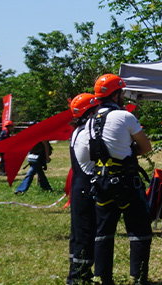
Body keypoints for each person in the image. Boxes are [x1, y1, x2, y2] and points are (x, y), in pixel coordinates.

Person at [89, 73, 154, 285]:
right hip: (125, 181)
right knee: (139, 231)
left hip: (101, 182)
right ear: (115, 95)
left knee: (103, 233)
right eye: (121, 93)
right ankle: (138, 278)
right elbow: (146, 147)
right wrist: (127, 151)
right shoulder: (124, 116)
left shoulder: (91, 119)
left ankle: (104, 279)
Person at [68, 92, 101, 285]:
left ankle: (78, 273)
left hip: (78, 185)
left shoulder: (78, 130)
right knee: (86, 234)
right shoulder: (89, 130)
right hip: (86, 187)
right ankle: (78, 277)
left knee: (78, 232)